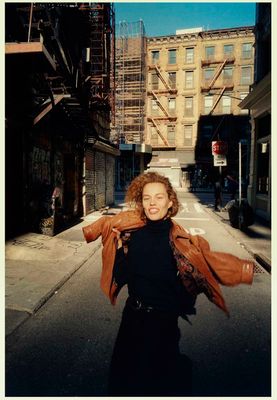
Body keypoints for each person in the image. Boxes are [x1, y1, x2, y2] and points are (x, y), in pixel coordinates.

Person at [82, 171, 254, 396]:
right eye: (146, 198)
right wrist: (115, 243)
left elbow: (204, 270)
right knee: (121, 383)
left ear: (170, 202)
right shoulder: (132, 234)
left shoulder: (180, 239)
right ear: (141, 203)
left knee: (158, 385)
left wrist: (241, 271)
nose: (152, 203)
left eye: (159, 197)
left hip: (162, 323)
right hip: (132, 317)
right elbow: (123, 274)